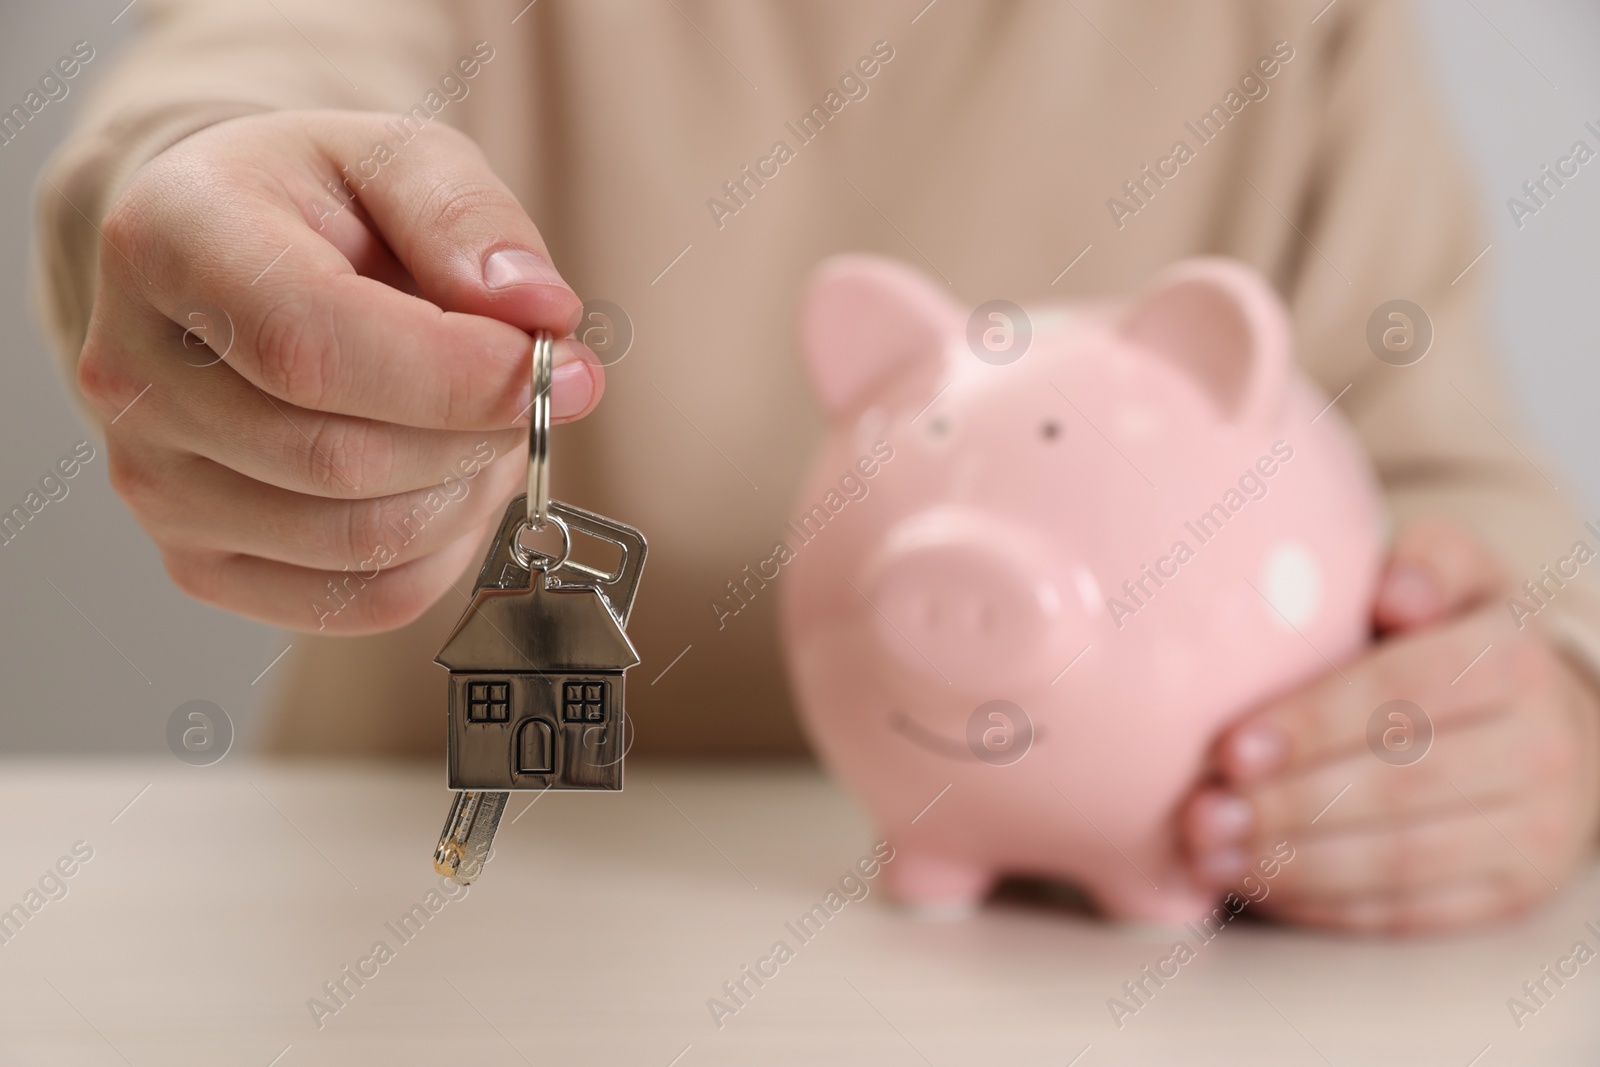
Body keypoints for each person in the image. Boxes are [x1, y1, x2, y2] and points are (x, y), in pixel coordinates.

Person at [34, 0, 1600, 933]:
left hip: (1116, 973)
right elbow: (231, 82)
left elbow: (1457, 486)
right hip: (441, 911)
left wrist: (1542, 694)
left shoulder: (1293, 32)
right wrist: (197, 201)